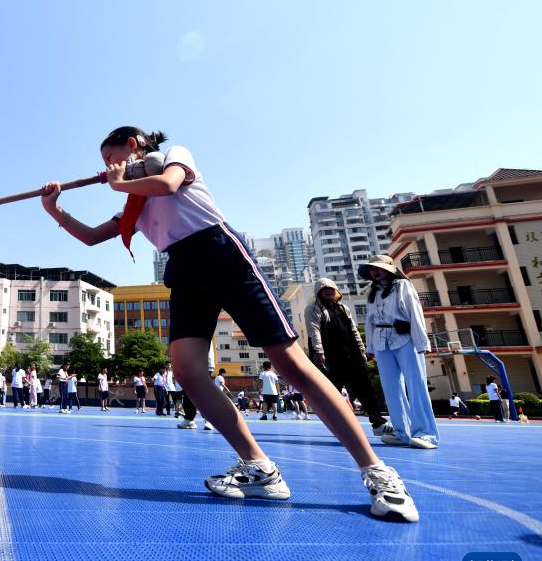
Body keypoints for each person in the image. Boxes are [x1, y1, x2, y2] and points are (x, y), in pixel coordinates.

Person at [38, 126, 418, 521]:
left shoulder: (173, 157)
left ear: (132, 145)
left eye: (110, 158)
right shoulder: (136, 203)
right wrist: (54, 210)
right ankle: (260, 468)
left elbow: (169, 185)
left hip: (221, 254)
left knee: (291, 365)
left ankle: (377, 471)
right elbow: (91, 236)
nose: (108, 167)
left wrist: (117, 182)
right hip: (184, 270)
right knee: (187, 370)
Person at [360, 255, 439, 450]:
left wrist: (421, 342)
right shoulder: (372, 292)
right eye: (372, 269)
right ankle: (401, 432)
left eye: (378, 268)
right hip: (381, 341)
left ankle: (426, 434)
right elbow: (370, 321)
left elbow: (415, 312)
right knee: (391, 388)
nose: (375, 272)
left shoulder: (403, 286)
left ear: (389, 269)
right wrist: (370, 347)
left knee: (416, 384)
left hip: (404, 338)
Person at [306, 278, 390, 436]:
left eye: (331, 288)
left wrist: (362, 350)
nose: (328, 290)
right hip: (330, 358)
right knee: (332, 393)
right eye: (324, 288)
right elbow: (313, 330)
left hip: (352, 355)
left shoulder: (343, 308)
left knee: (366, 389)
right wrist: (319, 351)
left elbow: (353, 329)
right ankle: (338, 426)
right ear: (318, 292)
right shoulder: (313, 309)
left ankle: (378, 423)